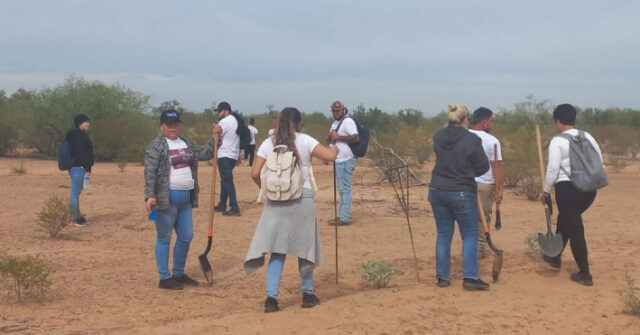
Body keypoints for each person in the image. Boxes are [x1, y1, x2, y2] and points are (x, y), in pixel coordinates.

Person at [244, 107, 338, 313]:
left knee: (277, 252)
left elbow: (254, 172)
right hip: (301, 199)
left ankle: (271, 299)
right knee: (305, 249)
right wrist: (335, 145)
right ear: (299, 123)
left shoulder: (269, 143)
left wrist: (267, 190)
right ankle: (307, 294)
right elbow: (330, 157)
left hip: (275, 202)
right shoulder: (305, 140)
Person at [144, 109, 215, 290]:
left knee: (186, 235)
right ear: (162, 126)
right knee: (164, 237)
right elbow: (150, 173)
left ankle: (178, 273)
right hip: (166, 198)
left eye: (175, 124)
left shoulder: (186, 143)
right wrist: (150, 195)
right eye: (169, 124)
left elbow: (205, 153)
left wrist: (215, 138)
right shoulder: (157, 145)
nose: (173, 127)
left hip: (186, 199)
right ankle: (164, 278)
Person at [429, 103, 490, 290]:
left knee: (443, 234)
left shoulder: (438, 136)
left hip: (437, 189)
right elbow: (483, 167)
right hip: (462, 191)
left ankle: (443, 277)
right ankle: (470, 277)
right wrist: (468, 171)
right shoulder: (471, 139)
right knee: (470, 234)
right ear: (465, 120)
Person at [541, 104, 602, 286]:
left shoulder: (558, 141)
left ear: (558, 121)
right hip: (589, 190)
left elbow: (553, 169)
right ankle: (555, 256)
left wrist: (545, 190)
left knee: (575, 229)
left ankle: (585, 274)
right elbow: (599, 161)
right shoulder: (587, 136)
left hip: (568, 190)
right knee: (566, 220)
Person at [468, 107, 504, 259]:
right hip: (484, 184)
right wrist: (499, 190)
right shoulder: (492, 141)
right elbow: (496, 166)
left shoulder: (463, 136)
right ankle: (477, 253)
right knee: (482, 219)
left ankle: (471, 250)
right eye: (491, 121)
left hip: (465, 183)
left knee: (468, 218)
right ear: (484, 123)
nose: (492, 124)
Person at [326, 101, 359, 226]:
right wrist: (330, 138)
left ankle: (344, 217)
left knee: (345, 189)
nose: (335, 113)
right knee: (342, 189)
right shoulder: (335, 123)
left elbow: (356, 137)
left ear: (343, 110)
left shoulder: (348, 121)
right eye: (333, 111)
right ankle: (341, 216)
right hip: (338, 159)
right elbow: (333, 138)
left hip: (345, 159)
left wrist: (338, 137)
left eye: (337, 110)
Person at [213, 101, 241, 216]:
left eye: (219, 111)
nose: (218, 113)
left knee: (227, 181)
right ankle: (222, 204)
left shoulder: (224, 122)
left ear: (226, 111)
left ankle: (234, 207)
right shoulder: (236, 121)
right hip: (233, 155)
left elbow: (217, 137)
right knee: (224, 180)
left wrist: (215, 131)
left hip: (224, 154)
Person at [66, 114, 94, 227]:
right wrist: (87, 167)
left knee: (76, 193)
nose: (88, 124)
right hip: (78, 167)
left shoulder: (81, 135)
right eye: (85, 122)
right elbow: (82, 153)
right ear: (79, 123)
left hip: (80, 168)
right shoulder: (77, 136)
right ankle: (74, 219)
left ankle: (78, 217)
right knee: (74, 194)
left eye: (88, 121)